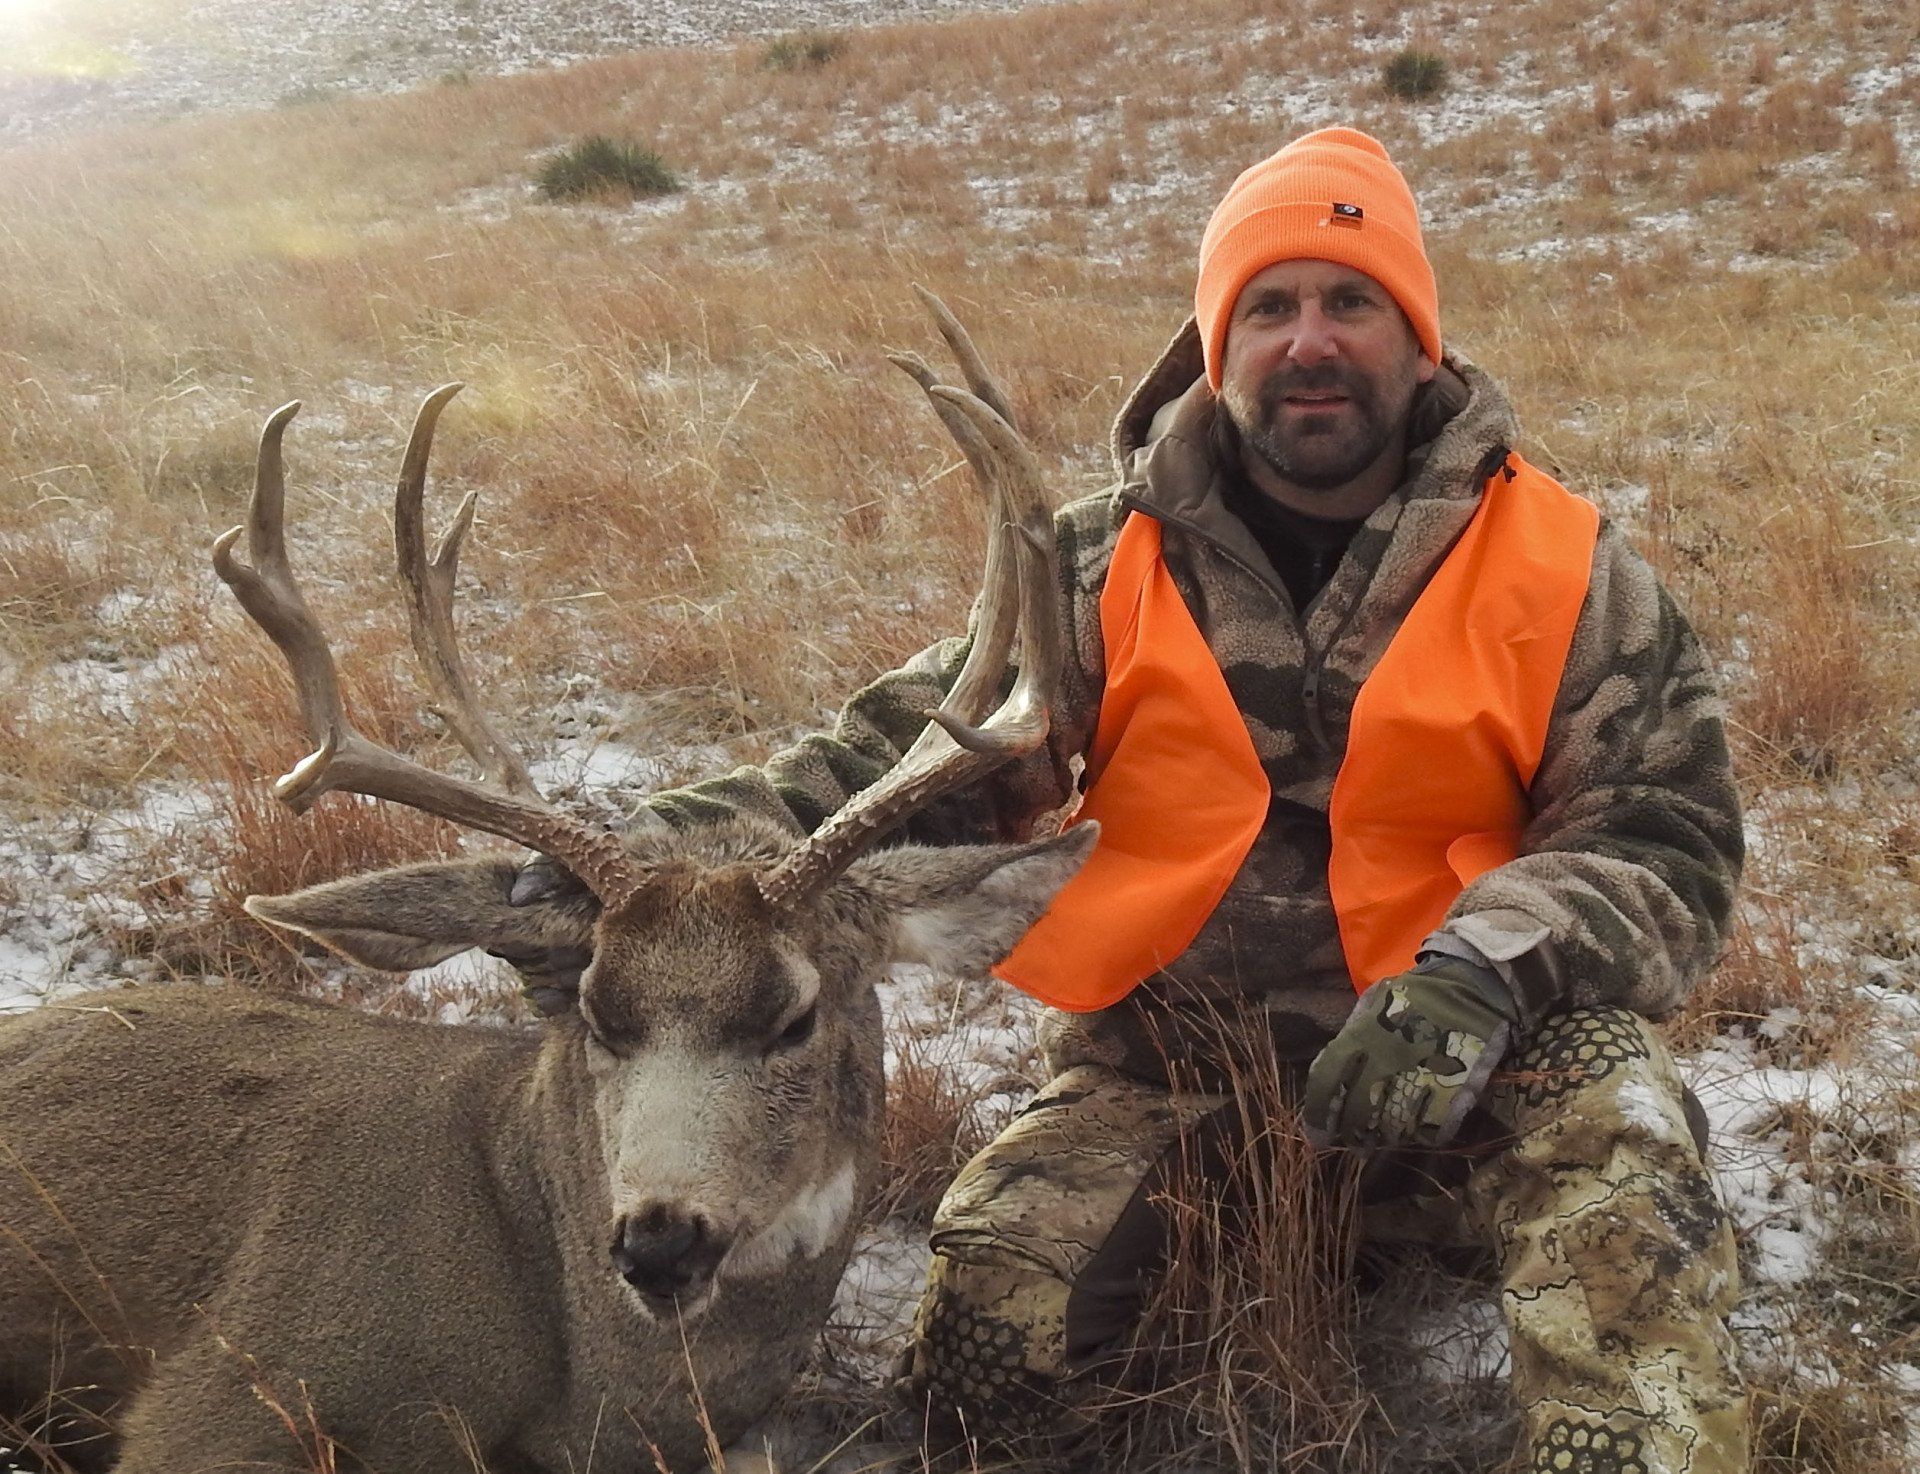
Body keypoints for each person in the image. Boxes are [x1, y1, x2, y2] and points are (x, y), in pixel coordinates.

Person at [514, 127, 1749, 1470]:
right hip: (1173, 1070)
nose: (1310, 340)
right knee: (989, 1358)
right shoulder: (1103, 564)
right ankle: (1247, 1252)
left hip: (1480, 1071)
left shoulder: (1565, 566)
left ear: (1420, 336)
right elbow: (904, 757)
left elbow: (1665, 837)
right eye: (1268, 306)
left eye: (1353, 300)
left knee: (1630, 1247)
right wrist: (650, 860)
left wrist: (1484, 971)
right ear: (1217, 344)